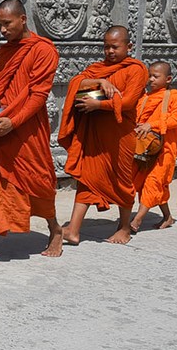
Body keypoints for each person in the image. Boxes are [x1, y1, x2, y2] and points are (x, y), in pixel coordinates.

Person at [0, 0, 63, 261]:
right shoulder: (6, 51)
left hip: (28, 127)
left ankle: (55, 229)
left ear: (22, 19)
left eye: (7, 24)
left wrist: (13, 122)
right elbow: (1, 87)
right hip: (2, 122)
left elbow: (38, 95)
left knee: (37, 180)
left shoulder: (44, 50)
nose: (3, 30)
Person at [58, 25, 147, 245]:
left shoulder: (137, 69)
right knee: (87, 178)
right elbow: (76, 83)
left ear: (129, 46)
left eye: (115, 47)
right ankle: (74, 230)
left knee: (123, 179)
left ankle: (124, 227)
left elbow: (127, 103)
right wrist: (100, 82)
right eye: (106, 47)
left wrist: (98, 105)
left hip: (120, 136)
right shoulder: (98, 68)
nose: (109, 51)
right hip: (95, 134)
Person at [130, 61, 177, 231]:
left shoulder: (176, 97)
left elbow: (176, 119)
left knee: (154, 181)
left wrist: (152, 124)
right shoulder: (144, 98)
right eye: (150, 76)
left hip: (165, 148)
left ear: (168, 78)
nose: (151, 80)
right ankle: (168, 217)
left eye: (156, 76)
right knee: (149, 183)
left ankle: (137, 220)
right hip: (143, 147)